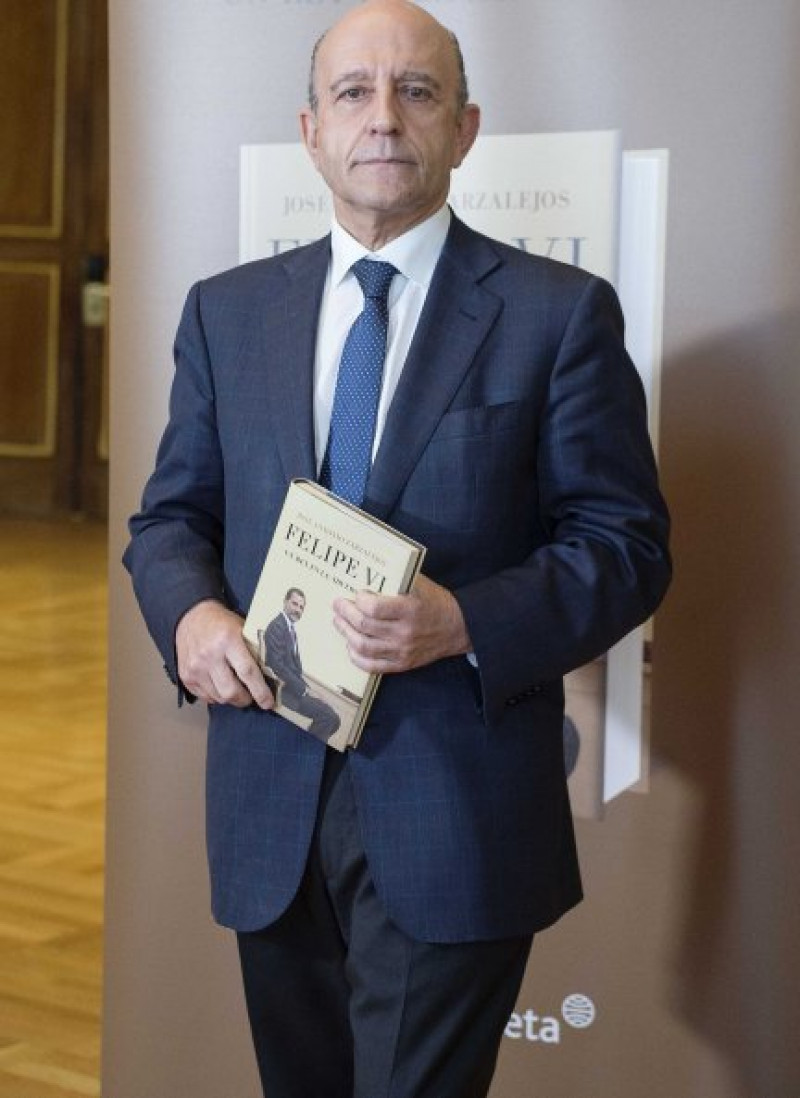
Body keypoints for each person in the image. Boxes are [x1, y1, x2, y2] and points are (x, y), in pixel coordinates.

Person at [124, 1, 671, 1095]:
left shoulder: (555, 314)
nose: (383, 117)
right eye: (353, 93)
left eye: (416, 92)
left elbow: (624, 546)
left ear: (464, 129)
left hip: (452, 806)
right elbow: (170, 521)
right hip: (268, 800)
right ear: (309, 129)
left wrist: (464, 621)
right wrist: (188, 615)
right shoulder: (225, 314)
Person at [263, 587, 341, 742]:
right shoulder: (278, 626)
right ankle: (307, 748)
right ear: (285, 602)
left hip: (293, 688)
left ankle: (308, 744)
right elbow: (278, 666)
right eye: (294, 604)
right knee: (329, 718)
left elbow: (294, 670)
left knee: (335, 720)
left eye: (301, 607)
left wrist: (311, 690)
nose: (298, 610)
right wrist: (305, 690)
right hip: (285, 691)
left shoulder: (290, 630)